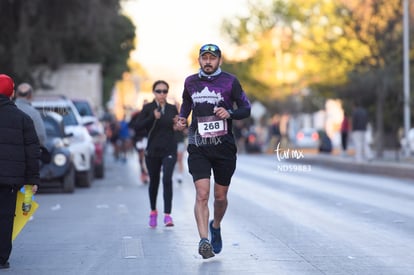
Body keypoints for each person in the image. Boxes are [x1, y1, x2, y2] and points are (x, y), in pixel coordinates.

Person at [176, 44, 251, 259]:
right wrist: (182, 117)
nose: (208, 61)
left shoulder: (230, 81)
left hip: (224, 147)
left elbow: (246, 108)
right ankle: (203, 240)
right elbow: (186, 104)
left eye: (212, 58)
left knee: (220, 197)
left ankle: (215, 225)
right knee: (202, 194)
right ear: (199, 60)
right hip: (198, 145)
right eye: (204, 57)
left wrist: (229, 113)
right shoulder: (191, 82)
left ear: (219, 60)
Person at [0, 74, 40, 269]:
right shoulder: (23, 119)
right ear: (12, 93)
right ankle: (1, 258)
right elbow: (32, 151)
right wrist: (32, 180)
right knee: (6, 217)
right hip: (10, 180)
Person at [132, 80, 179, 228]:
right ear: (154, 92)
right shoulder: (148, 108)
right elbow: (137, 126)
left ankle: (167, 215)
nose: (162, 94)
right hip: (152, 151)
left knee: (167, 179)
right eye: (159, 91)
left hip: (169, 149)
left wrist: (179, 124)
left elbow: (181, 126)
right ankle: (153, 212)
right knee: (154, 182)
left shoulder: (172, 108)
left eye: (165, 91)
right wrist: (152, 117)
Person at [129, 100, 149, 184]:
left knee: (149, 157)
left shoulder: (152, 115)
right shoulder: (136, 115)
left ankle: (148, 172)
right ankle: (143, 173)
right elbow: (130, 125)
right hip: (139, 139)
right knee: (141, 156)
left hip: (149, 139)